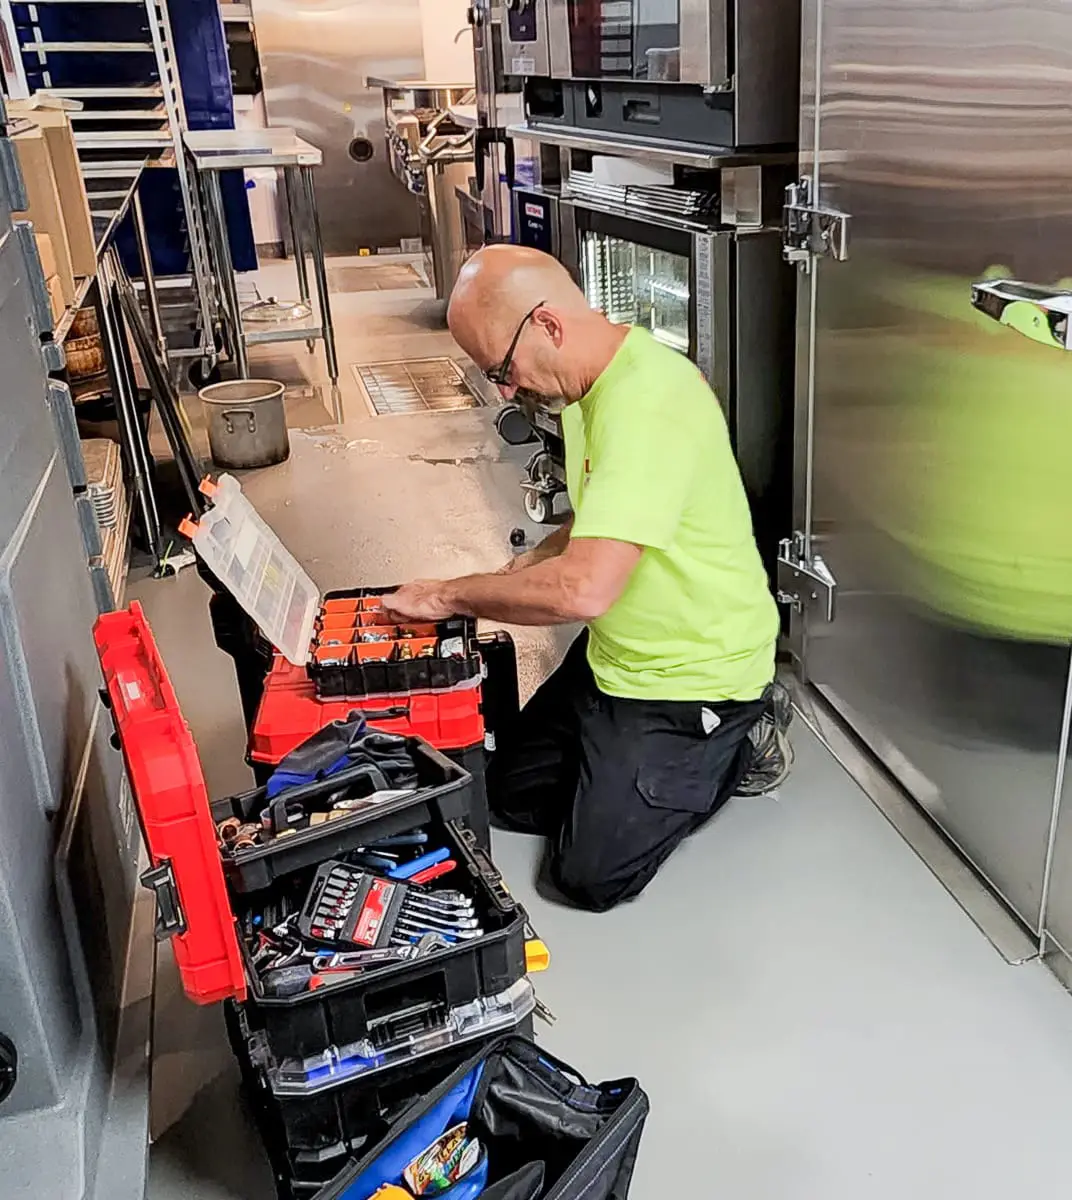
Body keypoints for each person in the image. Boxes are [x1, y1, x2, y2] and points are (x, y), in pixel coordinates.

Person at [382, 245, 789, 912]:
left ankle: (731, 748)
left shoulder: (650, 402)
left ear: (547, 324)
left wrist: (448, 594)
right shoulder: (585, 387)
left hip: (693, 678)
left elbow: (584, 591)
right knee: (508, 797)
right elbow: (605, 513)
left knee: (585, 878)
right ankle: (633, 774)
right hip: (615, 662)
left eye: (502, 370)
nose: (507, 390)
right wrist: (532, 559)